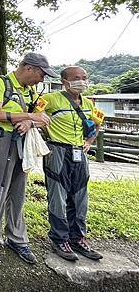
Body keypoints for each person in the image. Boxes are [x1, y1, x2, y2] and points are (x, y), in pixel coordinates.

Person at [0, 53, 53, 264]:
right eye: (41, 74)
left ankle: (17, 238)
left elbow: (40, 118)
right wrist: (30, 117)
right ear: (28, 68)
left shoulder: (30, 91)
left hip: (22, 143)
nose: (42, 79)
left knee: (18, 191)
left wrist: (30, 123)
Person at [42, 66, 103, 261]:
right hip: (58, 151)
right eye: (76, 78)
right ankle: (59, 239)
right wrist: (44, 132)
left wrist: (89, 142)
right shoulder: (51, 99)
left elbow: (98, 122)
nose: (81, 81)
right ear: (64, 81)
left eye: (84, 78)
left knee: (80, 197)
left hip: (80, 153)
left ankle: (77, 237)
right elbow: (33, 114)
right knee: (58, 196)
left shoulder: (89, 103)